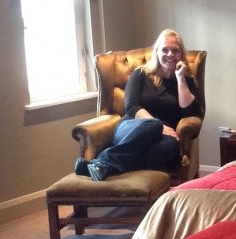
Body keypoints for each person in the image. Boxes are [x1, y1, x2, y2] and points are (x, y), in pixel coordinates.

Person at [76, 29, 203, 181]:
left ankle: (103, 165)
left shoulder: (185, 80)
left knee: (171, 147)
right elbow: (131, 106)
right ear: (156, 52)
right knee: (153, 125)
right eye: (165, 50)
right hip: (131, 128)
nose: (170, 55)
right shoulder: (141, 74)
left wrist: (181, 79)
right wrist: (158, 125)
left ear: (181, 54)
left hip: (161, 139)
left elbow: (190, 111)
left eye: (175, 50)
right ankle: (105, 159)